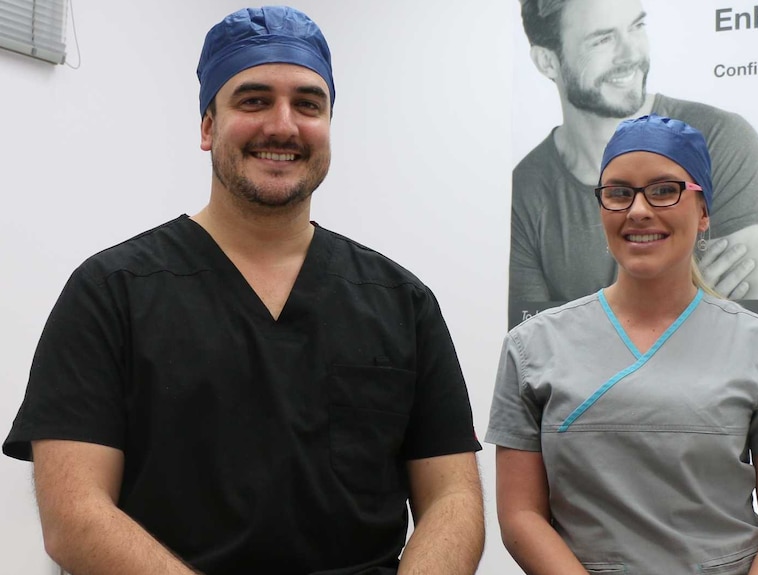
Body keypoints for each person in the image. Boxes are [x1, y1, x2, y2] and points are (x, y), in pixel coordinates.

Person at [3, 7, 484, 575]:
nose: (283, 126)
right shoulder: (110, 294)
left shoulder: (402, 303)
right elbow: (74, 516)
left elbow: (454, 500)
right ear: (207, 126)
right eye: (253, 100)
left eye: (308, 104)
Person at [488, 115, 758, 574]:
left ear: (704, 210)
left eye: (664, 190)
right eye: (618, 193)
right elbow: (520, 516)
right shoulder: (531, 347)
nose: (638, 210)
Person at [509, 0, 758, 328]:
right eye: (603, 39)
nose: (630, 54)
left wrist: (591, 327)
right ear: (547, 62)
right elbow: (539, 360)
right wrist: (670, 310)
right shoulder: (526, 190)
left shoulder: (719, 139)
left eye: (636, 26)